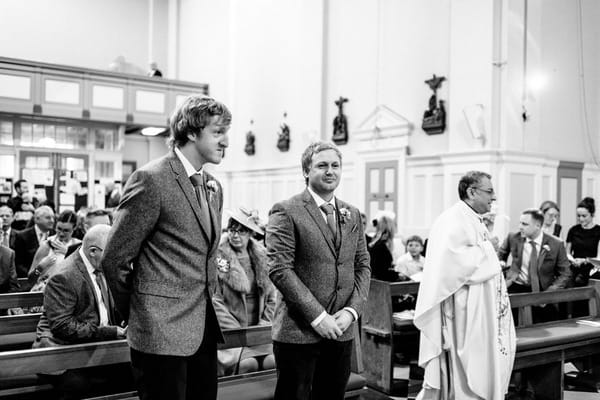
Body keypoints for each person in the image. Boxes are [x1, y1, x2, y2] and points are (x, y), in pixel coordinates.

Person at [102, 95, 231, 400]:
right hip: (159, 332)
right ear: (191, 132)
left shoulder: (213, 187)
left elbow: (206, 255)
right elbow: (115, 258)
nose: (226, 141)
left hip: (202, 330)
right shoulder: (151, 180)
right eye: (217, 132)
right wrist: (140, 311)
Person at [266, 141, 371, 400]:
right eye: (322, 165)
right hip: (299, 332)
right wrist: (318, 317)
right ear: (306, 171)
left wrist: (351, 311)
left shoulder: (352, 213)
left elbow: (363, 265)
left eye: (335, 166)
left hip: (341, 329)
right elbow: (280, 269)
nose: (330, 171)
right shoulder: (287, 210)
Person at [414, 171, 515, 400]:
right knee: (466, 370)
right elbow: (454, 264)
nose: (494, 197)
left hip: (480, 310)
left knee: (482, 363)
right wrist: (490, 248)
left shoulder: (471, 218)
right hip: (464, 311)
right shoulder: (453, 220)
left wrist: (488, 247)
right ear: (471, 192)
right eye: (489, 191)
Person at [32, 224, 130, 400]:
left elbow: (114, 307)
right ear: (93, 251)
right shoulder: (64, 276)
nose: (115, 258)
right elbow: (62, 327)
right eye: (112, 252)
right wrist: (110, 332)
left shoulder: (103, 266)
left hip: (95, 345)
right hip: (62, 348)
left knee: (138, 372)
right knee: (78, 386)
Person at [213, 207, 276, 376]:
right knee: (248, 365)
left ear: (250, 234)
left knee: (272, 362)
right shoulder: (219, 257)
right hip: (232, 333)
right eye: (232, 230)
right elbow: (215, 300)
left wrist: (264, 324)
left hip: (259, 330)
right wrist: (238, 331)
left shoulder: (262, 256)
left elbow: (272, 297)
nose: (235, 235)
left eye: (241, 231)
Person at [498, 208, 571, 322]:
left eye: (525, 224)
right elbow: (501, 254)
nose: (520, 227)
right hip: (515, 287)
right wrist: (501, 262)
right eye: (520, 223)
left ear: (537, 226)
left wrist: (550, 292)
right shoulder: (513, 237)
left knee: (544, 323)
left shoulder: (556, 244)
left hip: (542, 289)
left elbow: (565, 273)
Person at [28, 210, 80, 292]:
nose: (61, 234)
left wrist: (68, 253)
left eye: (66, 230)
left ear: (74, 228)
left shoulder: (78, 246)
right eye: (59, 229)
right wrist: (40, 267)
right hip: (44, 292)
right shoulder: (47, 245)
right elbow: (30, 279)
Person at [566, 197, 600, 286]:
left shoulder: (598, 231)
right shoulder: (573, 230)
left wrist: (585, 260)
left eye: (584, 216)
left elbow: (598, 258)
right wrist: (573, 260)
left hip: (592, 268)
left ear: (592, 214)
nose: (581, 219)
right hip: (574, 266)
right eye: (578, 216)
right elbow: (567, 253)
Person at [13, 205, 55, 278]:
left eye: (53, 218)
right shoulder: (22, 236)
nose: (52, 221)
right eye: (48, 218)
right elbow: (18, 263)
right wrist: (35, 275)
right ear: (36, 219)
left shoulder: (56, 235)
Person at [367, 211, 398, 281]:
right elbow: (381, 271)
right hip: (379, 282)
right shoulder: (381, 247)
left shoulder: (375, 242)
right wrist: (397, 276)